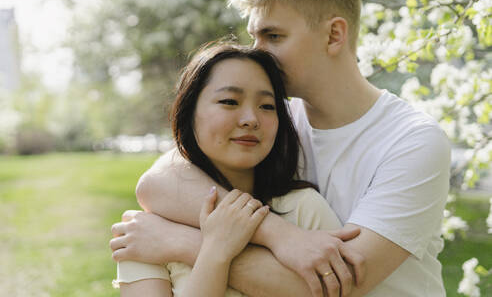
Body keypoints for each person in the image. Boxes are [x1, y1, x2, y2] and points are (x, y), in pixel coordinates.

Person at [110, 0, 451, 296]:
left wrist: (181, 242)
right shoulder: (269, 124)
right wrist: (278, 234)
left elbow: (336, 285)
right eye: (254, 36)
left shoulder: (413, 141)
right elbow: (157, 184)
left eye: (273, 36)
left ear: (334, 35)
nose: (257, 52)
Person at [111, 43, 344, 296]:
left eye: (267, 106)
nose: (250, 119)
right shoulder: (148, 231)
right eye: (229, 101)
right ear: (189, 112)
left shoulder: (304, 210)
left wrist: (197, 245)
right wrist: (215, 251)